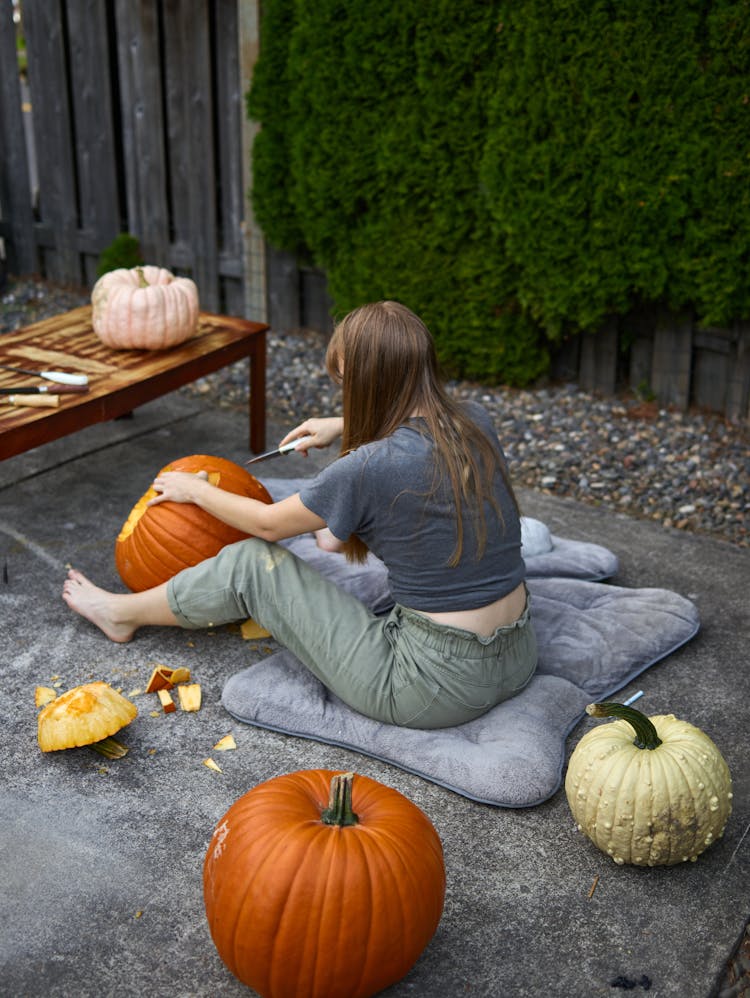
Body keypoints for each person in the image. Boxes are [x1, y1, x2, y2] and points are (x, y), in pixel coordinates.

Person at [63, 301, 537, 729]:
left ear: (366, 383)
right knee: (347, 529)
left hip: (430, 689)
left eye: (344, 382)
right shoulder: (474, 420)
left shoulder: (365, 468)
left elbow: (267, 525)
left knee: (251, 562)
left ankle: (121, 613)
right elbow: (410, 443)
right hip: (517, 654)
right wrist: (343, 427)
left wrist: (197, 490)